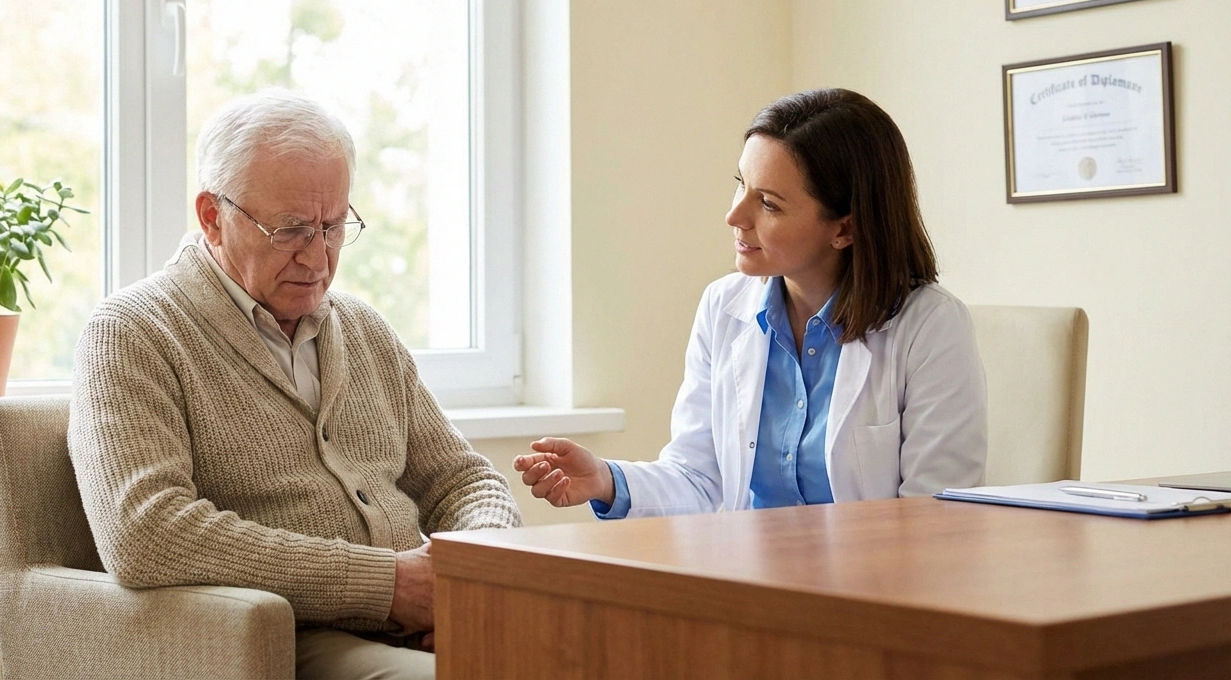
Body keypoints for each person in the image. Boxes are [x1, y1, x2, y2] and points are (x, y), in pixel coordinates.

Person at [70, 88, 520, 680]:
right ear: (212, 217)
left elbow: (461, 479)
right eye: (291, 230)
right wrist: (387, 587)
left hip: (425, 624)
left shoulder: (363, 328)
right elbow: (147, 532)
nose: (319, 259)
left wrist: (470, 575)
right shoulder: (134, 332)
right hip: (287, 637)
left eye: (334, 226)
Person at [514, 88, 986, 517]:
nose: (734, 215)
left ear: (844, 228)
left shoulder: (931, 327)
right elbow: (698, 480)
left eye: (769, 204)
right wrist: (606, 480)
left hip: (870, 596)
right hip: (744, 583)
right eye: (741, 184)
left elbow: (933, 518)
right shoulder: (723, 307)